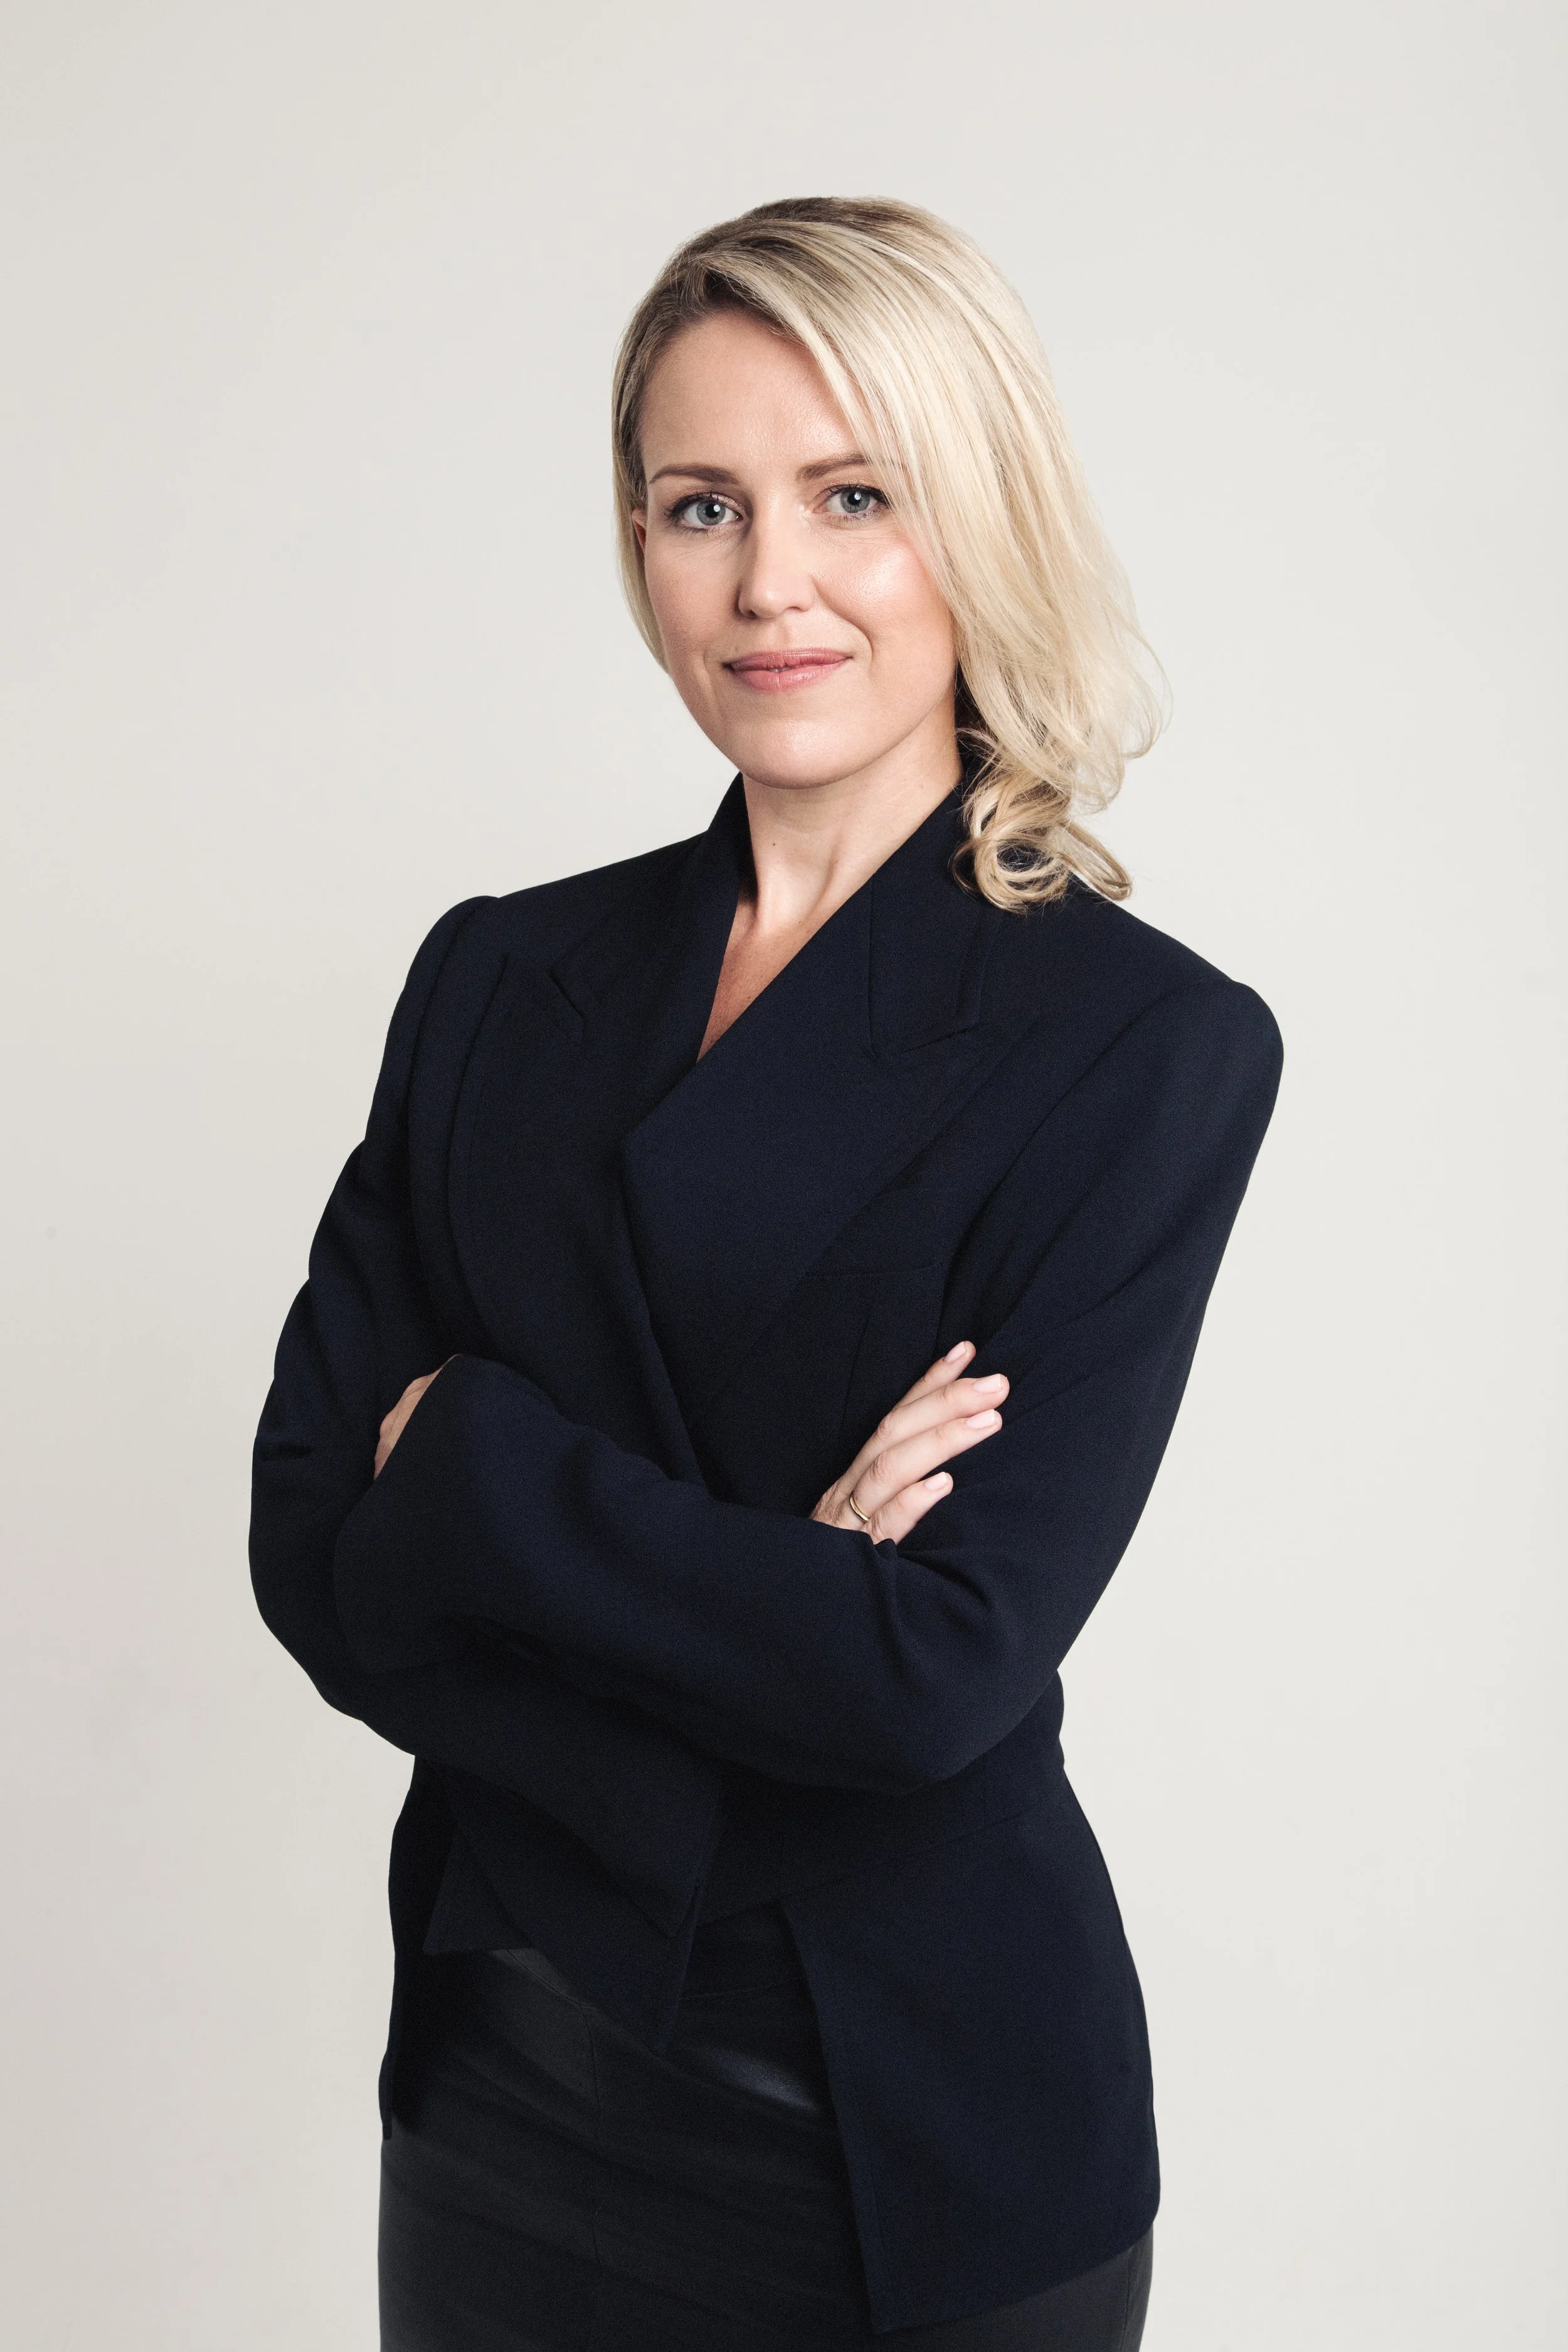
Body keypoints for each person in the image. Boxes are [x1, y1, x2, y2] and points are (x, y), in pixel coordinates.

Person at [250, 196, 1282, 2352]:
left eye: (851, 497)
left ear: (969, 522)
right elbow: (315, 1550)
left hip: (898, 2123)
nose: (767, 582)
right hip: (506, 2078)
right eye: (698, 504)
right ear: (634, 541)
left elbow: (925, 1679)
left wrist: (487, 1468)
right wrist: (766, 1583)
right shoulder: (501, 974)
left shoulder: (1139, 1043)